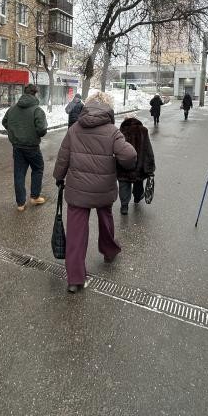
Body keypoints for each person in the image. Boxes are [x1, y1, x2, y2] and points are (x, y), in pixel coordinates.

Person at [53, 92, 137, 293]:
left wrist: (59, 177)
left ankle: (75, 278)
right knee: (105, 218)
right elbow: (129, 155)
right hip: (103, 188)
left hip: (77, 189)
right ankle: (109, 250)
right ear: (108, 108)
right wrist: (122, 163)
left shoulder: (74, 129)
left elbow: (63, 157)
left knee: (76, 232)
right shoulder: (112, 131)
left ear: (87, 106)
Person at [2, 84, 48, 212]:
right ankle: (35, 197)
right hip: (32, 147)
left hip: (17, 147)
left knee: (19, 173)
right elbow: (42, 129)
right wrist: (34, 133)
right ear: (35, 94)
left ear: (24, 93)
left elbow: (4, 122)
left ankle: (20, 204)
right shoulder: (37, 110)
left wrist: (14, 131)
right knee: (38, 168)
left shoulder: (12, 109)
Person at [116, 116, 155, 215]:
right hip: (139, 165)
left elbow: (117, 149)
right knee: (138, 183)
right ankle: (137, 198)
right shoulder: (143, 131)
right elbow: (148, 149)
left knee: (124, 185)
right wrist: (150, 167)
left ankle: (124, 206)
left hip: (123, 164)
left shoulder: (120, 131)